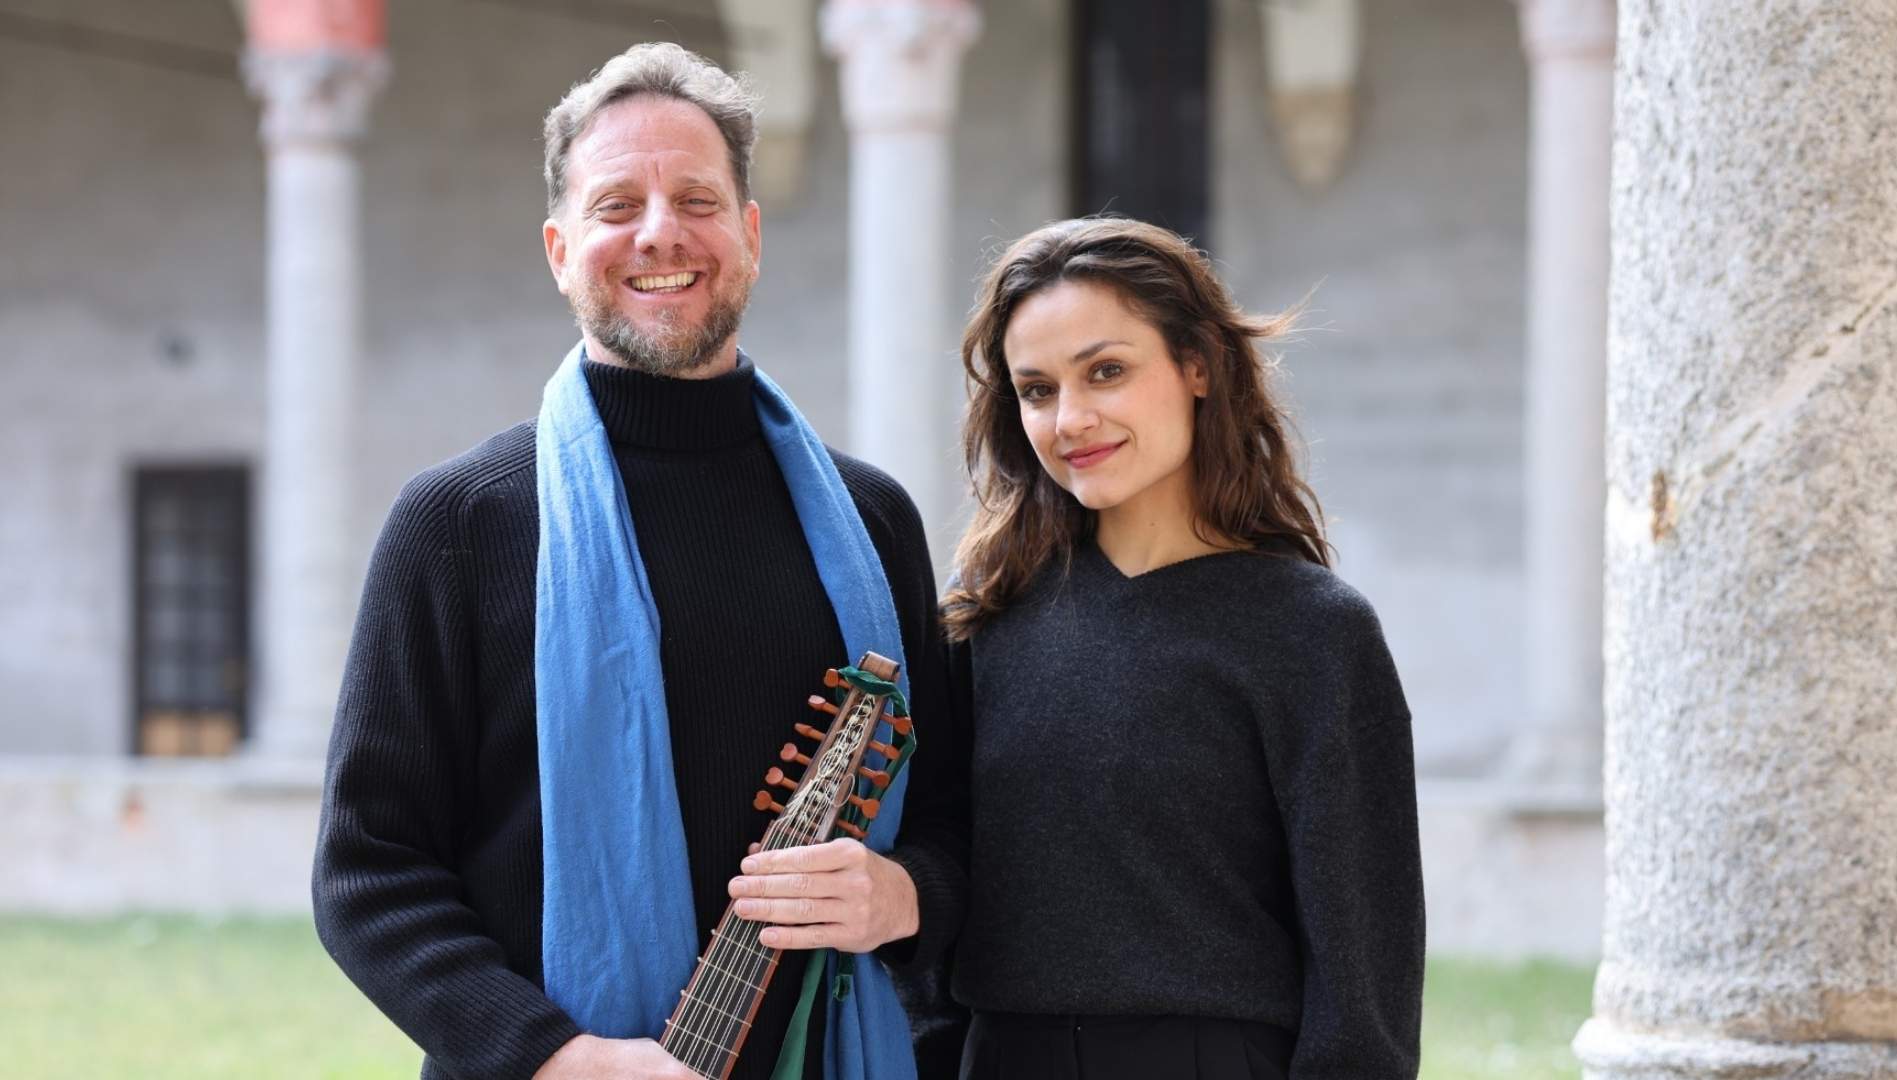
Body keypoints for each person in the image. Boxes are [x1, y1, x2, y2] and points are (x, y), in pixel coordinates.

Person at [312, 43, 965, 1080]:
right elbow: (369, 874)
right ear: (561, 248)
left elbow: (951, 819)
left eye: (697, 198)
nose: (661, 231)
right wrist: (568, 1060)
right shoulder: (457, 525)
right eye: (617, 203)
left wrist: (904, 894)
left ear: (749, 236)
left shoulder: (872, 519)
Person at [941, 217, 1425, 1079]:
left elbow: (1365, 983)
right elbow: (939, 910)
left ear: (1197, 365)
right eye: (1038, 389)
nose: (1072, 418)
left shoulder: (1312, 633)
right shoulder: (986, 628)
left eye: (1107, 371)